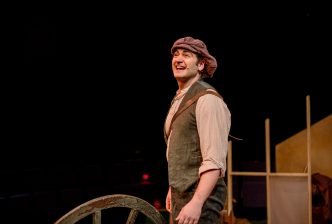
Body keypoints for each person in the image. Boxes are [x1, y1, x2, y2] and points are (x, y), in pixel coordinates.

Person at [164, 36, 231, 224]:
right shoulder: (179, 100)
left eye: (186, 55)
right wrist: (174, 187)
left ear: (201, 65)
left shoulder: (208, 100)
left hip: (200, 199)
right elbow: (182, 151)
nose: (178, 59)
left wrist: (197, 202)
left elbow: (214, 161)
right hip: (182, 195)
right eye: (175, 55)